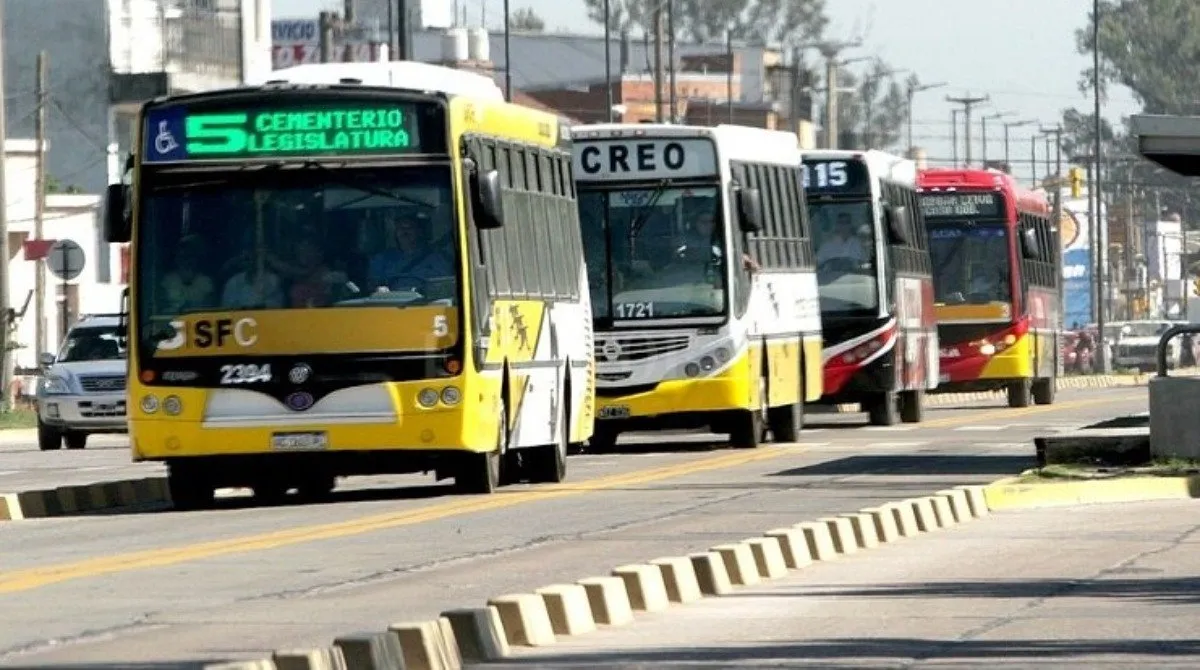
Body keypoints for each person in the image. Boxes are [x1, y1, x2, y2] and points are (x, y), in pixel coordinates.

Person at [367, 211, 453, 292]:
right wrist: (378, 289)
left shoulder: (436, 258)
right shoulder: (382, 258)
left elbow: (446, 285)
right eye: (400, 228)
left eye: (409, 228)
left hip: (426, 304)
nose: (405, 232)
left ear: (419, 232)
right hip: (390, 303)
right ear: (396, 232)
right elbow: (372, 284)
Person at [159, 235, 214, 314]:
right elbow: (161, 308)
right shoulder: (167, 282)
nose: (186, 262)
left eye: (189, 256)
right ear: (176, 259)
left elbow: (210, 310)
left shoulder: (207, 283)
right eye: (182, 257)